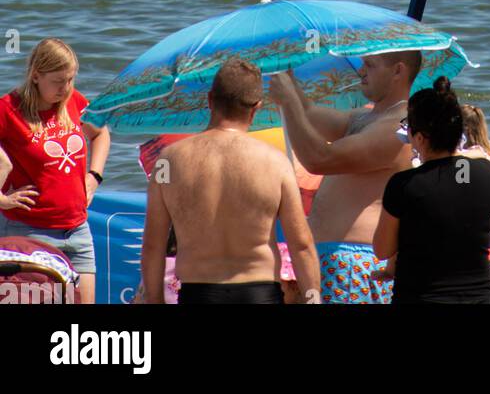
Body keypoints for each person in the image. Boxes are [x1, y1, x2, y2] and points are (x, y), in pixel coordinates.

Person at [140, 59, 320, 305]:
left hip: (198, 293)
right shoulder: (275, 162)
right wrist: (312, 298)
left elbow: (153, 245)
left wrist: (155, 300)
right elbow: (301, 245)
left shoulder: (169, 160)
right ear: (256, 107)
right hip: (259, 293)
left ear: (211, 99)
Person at [269, 50, 419, 304]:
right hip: (334, 259)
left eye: (370, 65)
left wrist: (288, 102)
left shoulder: (399, 127)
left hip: (355, 263)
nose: (361, 71)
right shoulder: (367, 116)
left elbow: (319, 159)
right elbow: (307, 112)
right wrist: (287, 75)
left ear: (398, 71)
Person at [0, 37, 110, 303]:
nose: (66, 88)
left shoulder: (74, 102)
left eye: (70, 79)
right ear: (36, 76)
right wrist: (1, 199)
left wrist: (93, 177)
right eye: (58, 81)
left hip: (77, 228)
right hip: (28, 230)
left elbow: (100, 133)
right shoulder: (8, 109)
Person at [373, 77, 490, 304]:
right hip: (477, 298)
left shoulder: (404, 184)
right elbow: (467, 166)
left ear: (420, 137)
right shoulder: (486, 173)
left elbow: (382, 249)